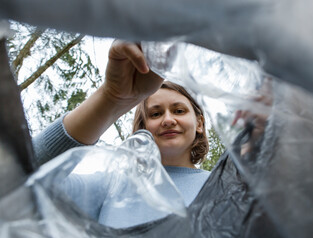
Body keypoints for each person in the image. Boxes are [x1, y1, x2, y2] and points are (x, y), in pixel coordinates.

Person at [32, 40, 210, 228]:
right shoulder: (109, 187)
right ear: (144, 128)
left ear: (199, 123)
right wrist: (111, 97)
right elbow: (20, 181)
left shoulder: (229, 188)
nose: (168, 120)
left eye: (179, 111)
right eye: (155, 114)